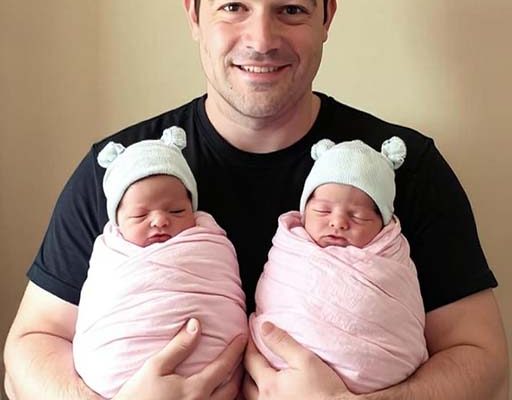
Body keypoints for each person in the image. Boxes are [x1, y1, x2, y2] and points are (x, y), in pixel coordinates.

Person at [3, 1, 509, 399]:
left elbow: (481, 356)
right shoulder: (122, 173)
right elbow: (28, 350)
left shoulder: (401, 168)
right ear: (193, 14)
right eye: (233, 6)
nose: (262, 40)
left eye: (290, 9)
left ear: (327, 16)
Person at [72, 127, 247, 398]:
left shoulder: (209, 242)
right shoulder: (110, 252)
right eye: (140, 216)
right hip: (123, 379)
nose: (160, 220)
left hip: (219, 372)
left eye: (176, 211)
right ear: (117, 221)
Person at [250, 137, 429, 394]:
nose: (338, 223)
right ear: (304, 212)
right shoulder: (290, 250)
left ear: (383, 223)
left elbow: (399, 323)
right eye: (323, 211)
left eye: (358, 216)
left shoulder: (392, 260)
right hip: (276, 381)